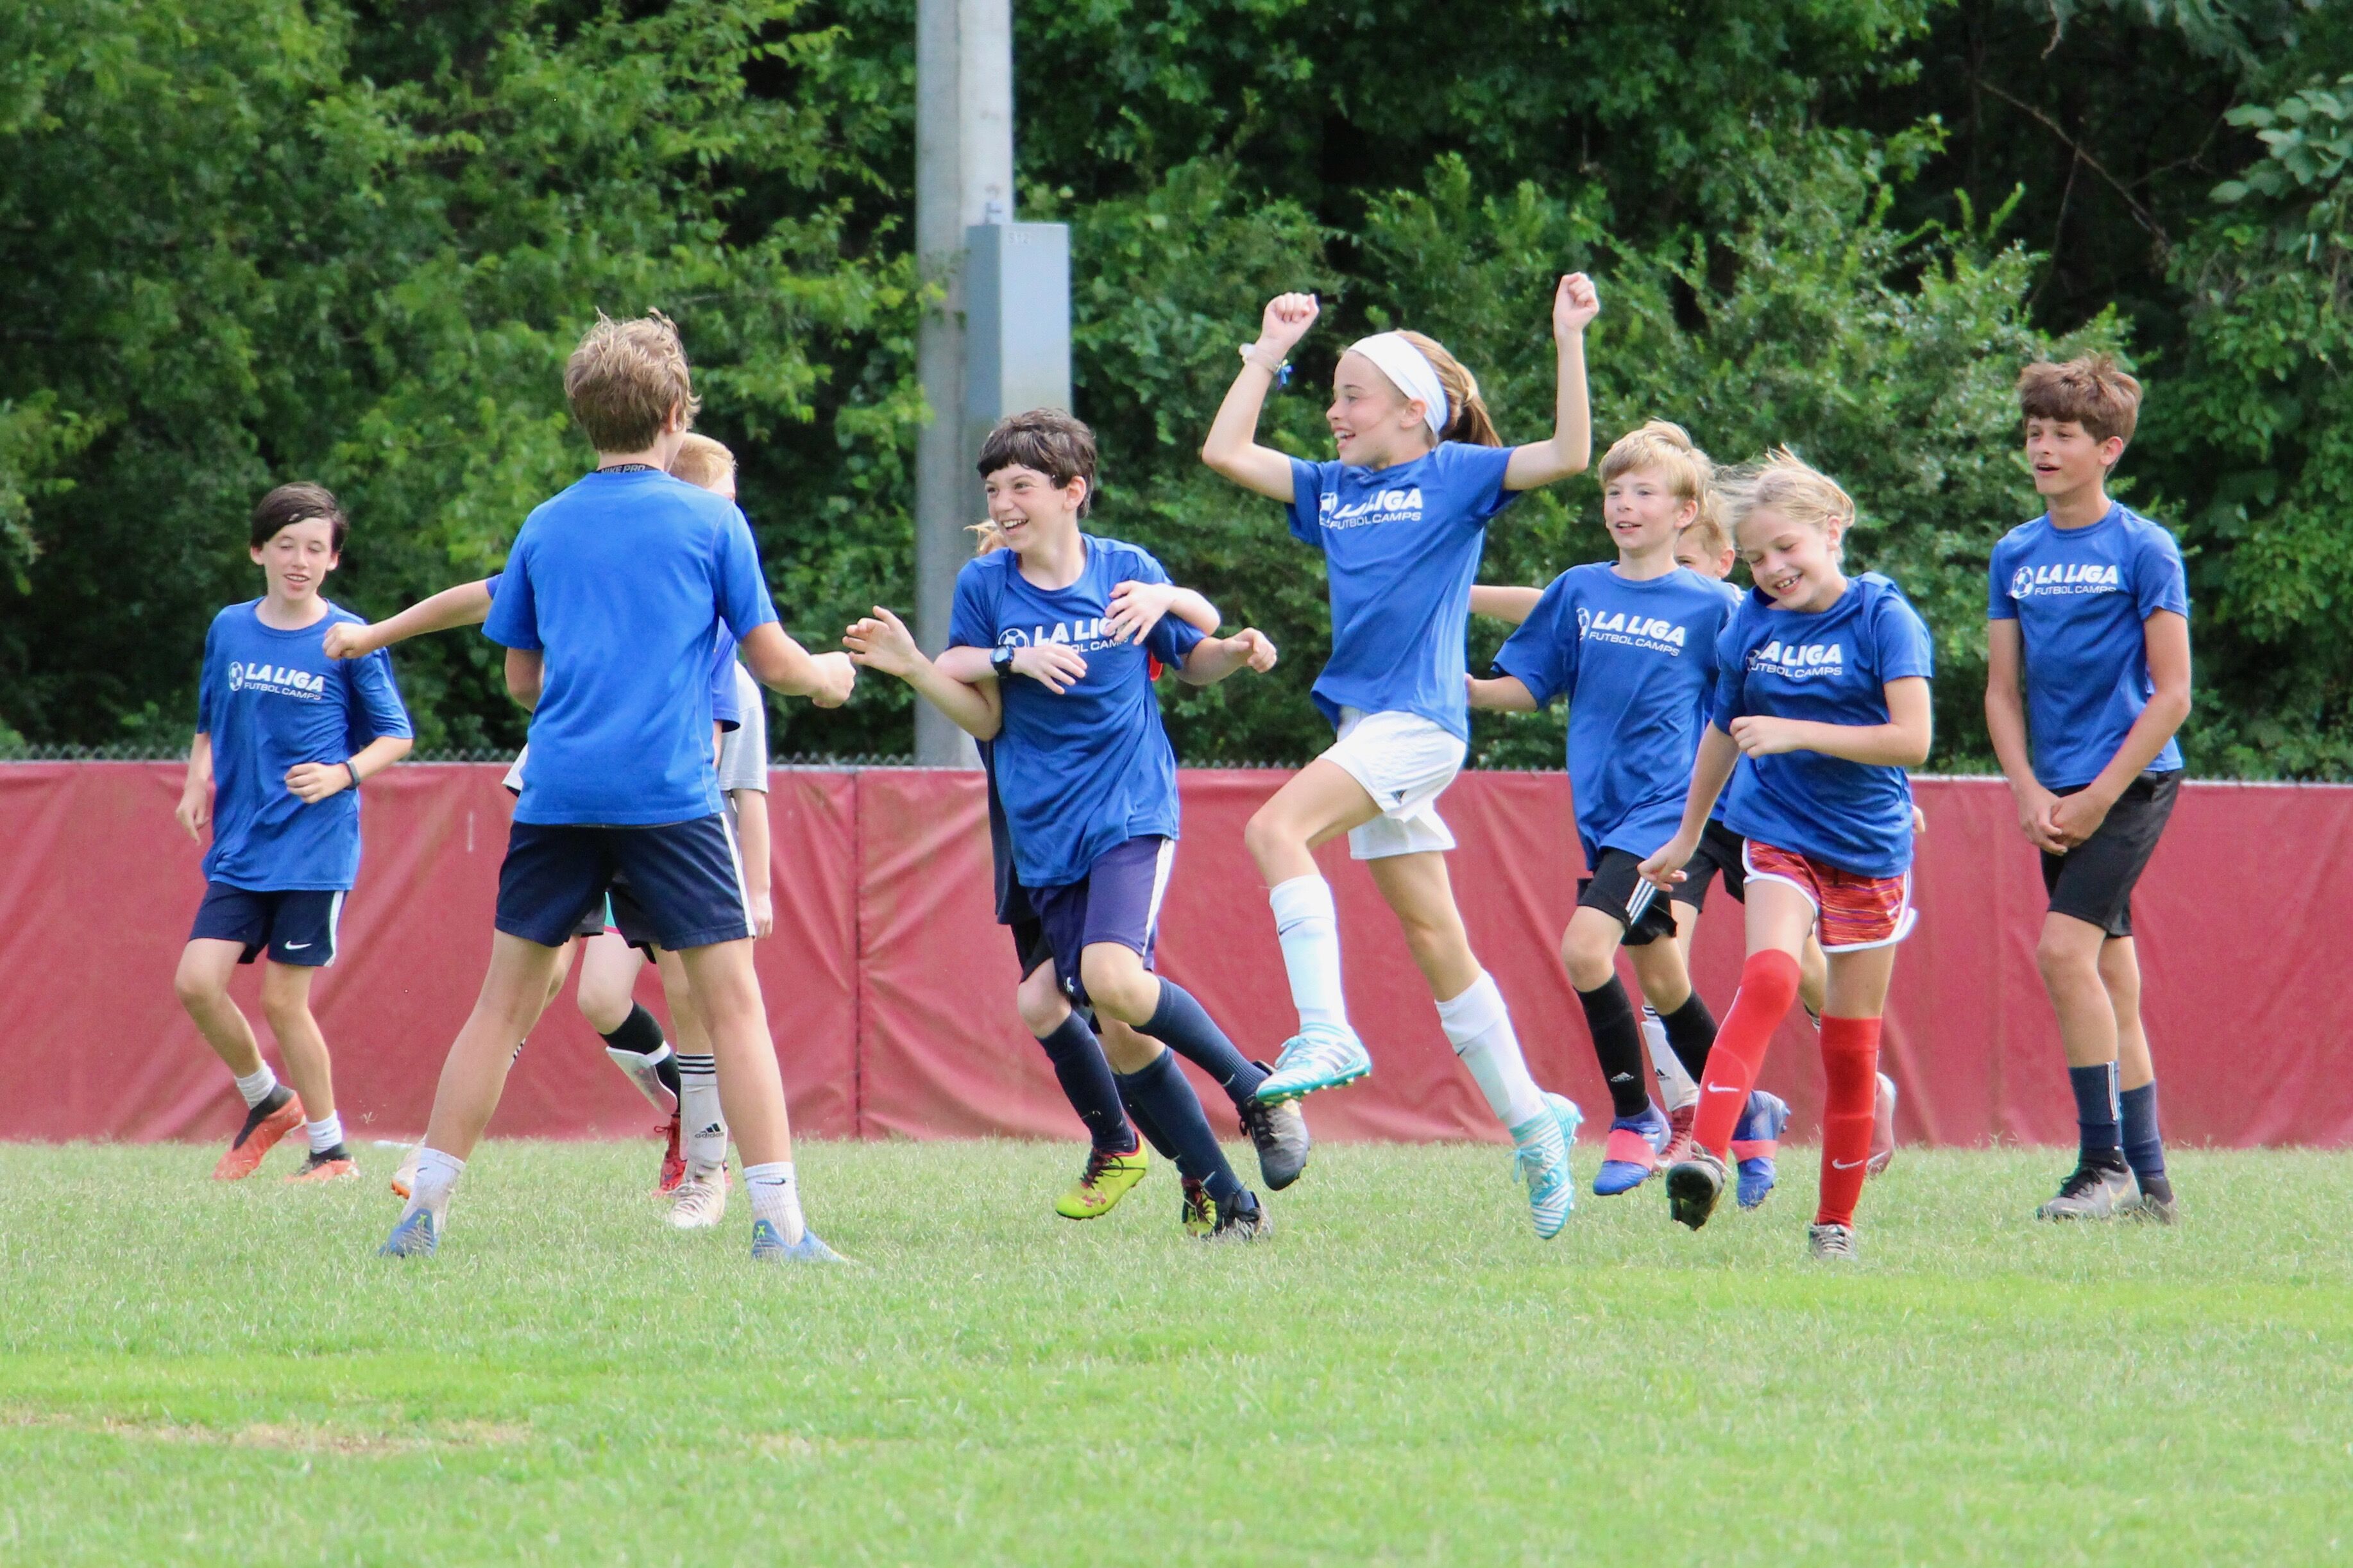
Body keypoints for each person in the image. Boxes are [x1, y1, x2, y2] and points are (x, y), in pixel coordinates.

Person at [378, 311, 855, 1263]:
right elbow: (774, 661)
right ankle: (781, 1227)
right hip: (669, 800)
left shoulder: (545, 525)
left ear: (581, 415)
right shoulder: (712, 519)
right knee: (732, 1009)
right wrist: (833, 676)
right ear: (677, 412)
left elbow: (520, 680)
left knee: (500, 1008)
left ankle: (422, 1213)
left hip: (556, 793)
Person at [1200, 279, 1595, 1238]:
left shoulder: (1457, 472)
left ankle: (1327, 1026)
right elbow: (1224, 451)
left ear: (1415, 412)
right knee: (1436, 939)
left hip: (1418, 724)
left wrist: (1567, 338)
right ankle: (1535, 1119)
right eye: (1330, 395)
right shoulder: (1333, 490)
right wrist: (1265, 350)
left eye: (1353, 396)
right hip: (1366, 732)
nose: (1333, 413)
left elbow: (1572, 453)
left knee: (1274, 827)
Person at [854, 408, 1290, 1240]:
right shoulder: (987, 586)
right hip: (1042, 831)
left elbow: (1192, 652)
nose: (1004, 501)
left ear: (1072, 492)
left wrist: (1229, 651)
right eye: (994, 488)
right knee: (1104, 1025)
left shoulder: (1127, 572)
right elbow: (979, 712)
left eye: (1021, 486)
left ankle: (1248, 1092)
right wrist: (959, 662)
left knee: (1113, 987)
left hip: (1127, 809)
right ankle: (1225, 1200)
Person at [329, 437, 752, 1206]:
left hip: (653, 796)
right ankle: (445, 1151)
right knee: (551, 977)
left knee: (687, 985)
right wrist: (376, 634)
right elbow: (487, 599)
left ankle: (704, 1161)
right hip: (585, 782)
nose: (733, 509)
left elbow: (726, 751)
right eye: (727, 494)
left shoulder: (701, 591)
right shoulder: (613, 540)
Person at [1641, 450, 1933, 1261]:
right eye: (1757, 554)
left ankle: (1833, 1224)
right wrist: (1687, 835)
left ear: (1831, 532)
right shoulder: (1750, 626)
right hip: (1777, 832)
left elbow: (1912, 737)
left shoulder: (1881, 617)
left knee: (1848, 1046)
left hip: (1869, 852)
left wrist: (1798, 732)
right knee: (1769, 974)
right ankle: (1704, 1149)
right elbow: (1718, 736)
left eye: (1786, 549)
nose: (1772, 569)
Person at [1466, 421, 1737, 1198]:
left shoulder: (1713, 606)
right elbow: (1533, 682)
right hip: (1602, 813)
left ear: (1684, 512)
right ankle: (1743, 1111)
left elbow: (1755, 706)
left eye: (1643, 492)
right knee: (1663, 981)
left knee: (1585, 950)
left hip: (1664, 815)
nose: (1623, 504)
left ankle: (1635, 1116)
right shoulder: (1578, 589)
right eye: (1613, 491)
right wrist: (1473, 693)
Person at [1985, 355, 2190, 1224]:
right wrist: (2029, 791)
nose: (2043, 446)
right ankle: (2152, 1187)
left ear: (2107, 449)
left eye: (2063, 434)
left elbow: (2173, 692)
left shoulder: (2145, 547)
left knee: (2062, 955)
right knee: (2111, 977)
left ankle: (2099, 1165)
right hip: (2058, 796)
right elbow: (2000, 691)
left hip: (2133, 784)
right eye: (2034, 432)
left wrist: (2101, 795)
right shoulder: (2015, 552)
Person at [173, 482, 414, 1183]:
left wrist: (342, 774)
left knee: (283, 1001)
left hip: (314, 849)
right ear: (259, 551)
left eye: (315, 548)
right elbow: (210, 709)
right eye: (286, 546)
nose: (299, 560)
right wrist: (197, 778)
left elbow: (396, 735)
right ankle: (268, 1102)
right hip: (242, 844)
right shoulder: (230, 627)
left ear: (334, 560)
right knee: (195, 983)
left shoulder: (348, 638)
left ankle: (330, 1151)